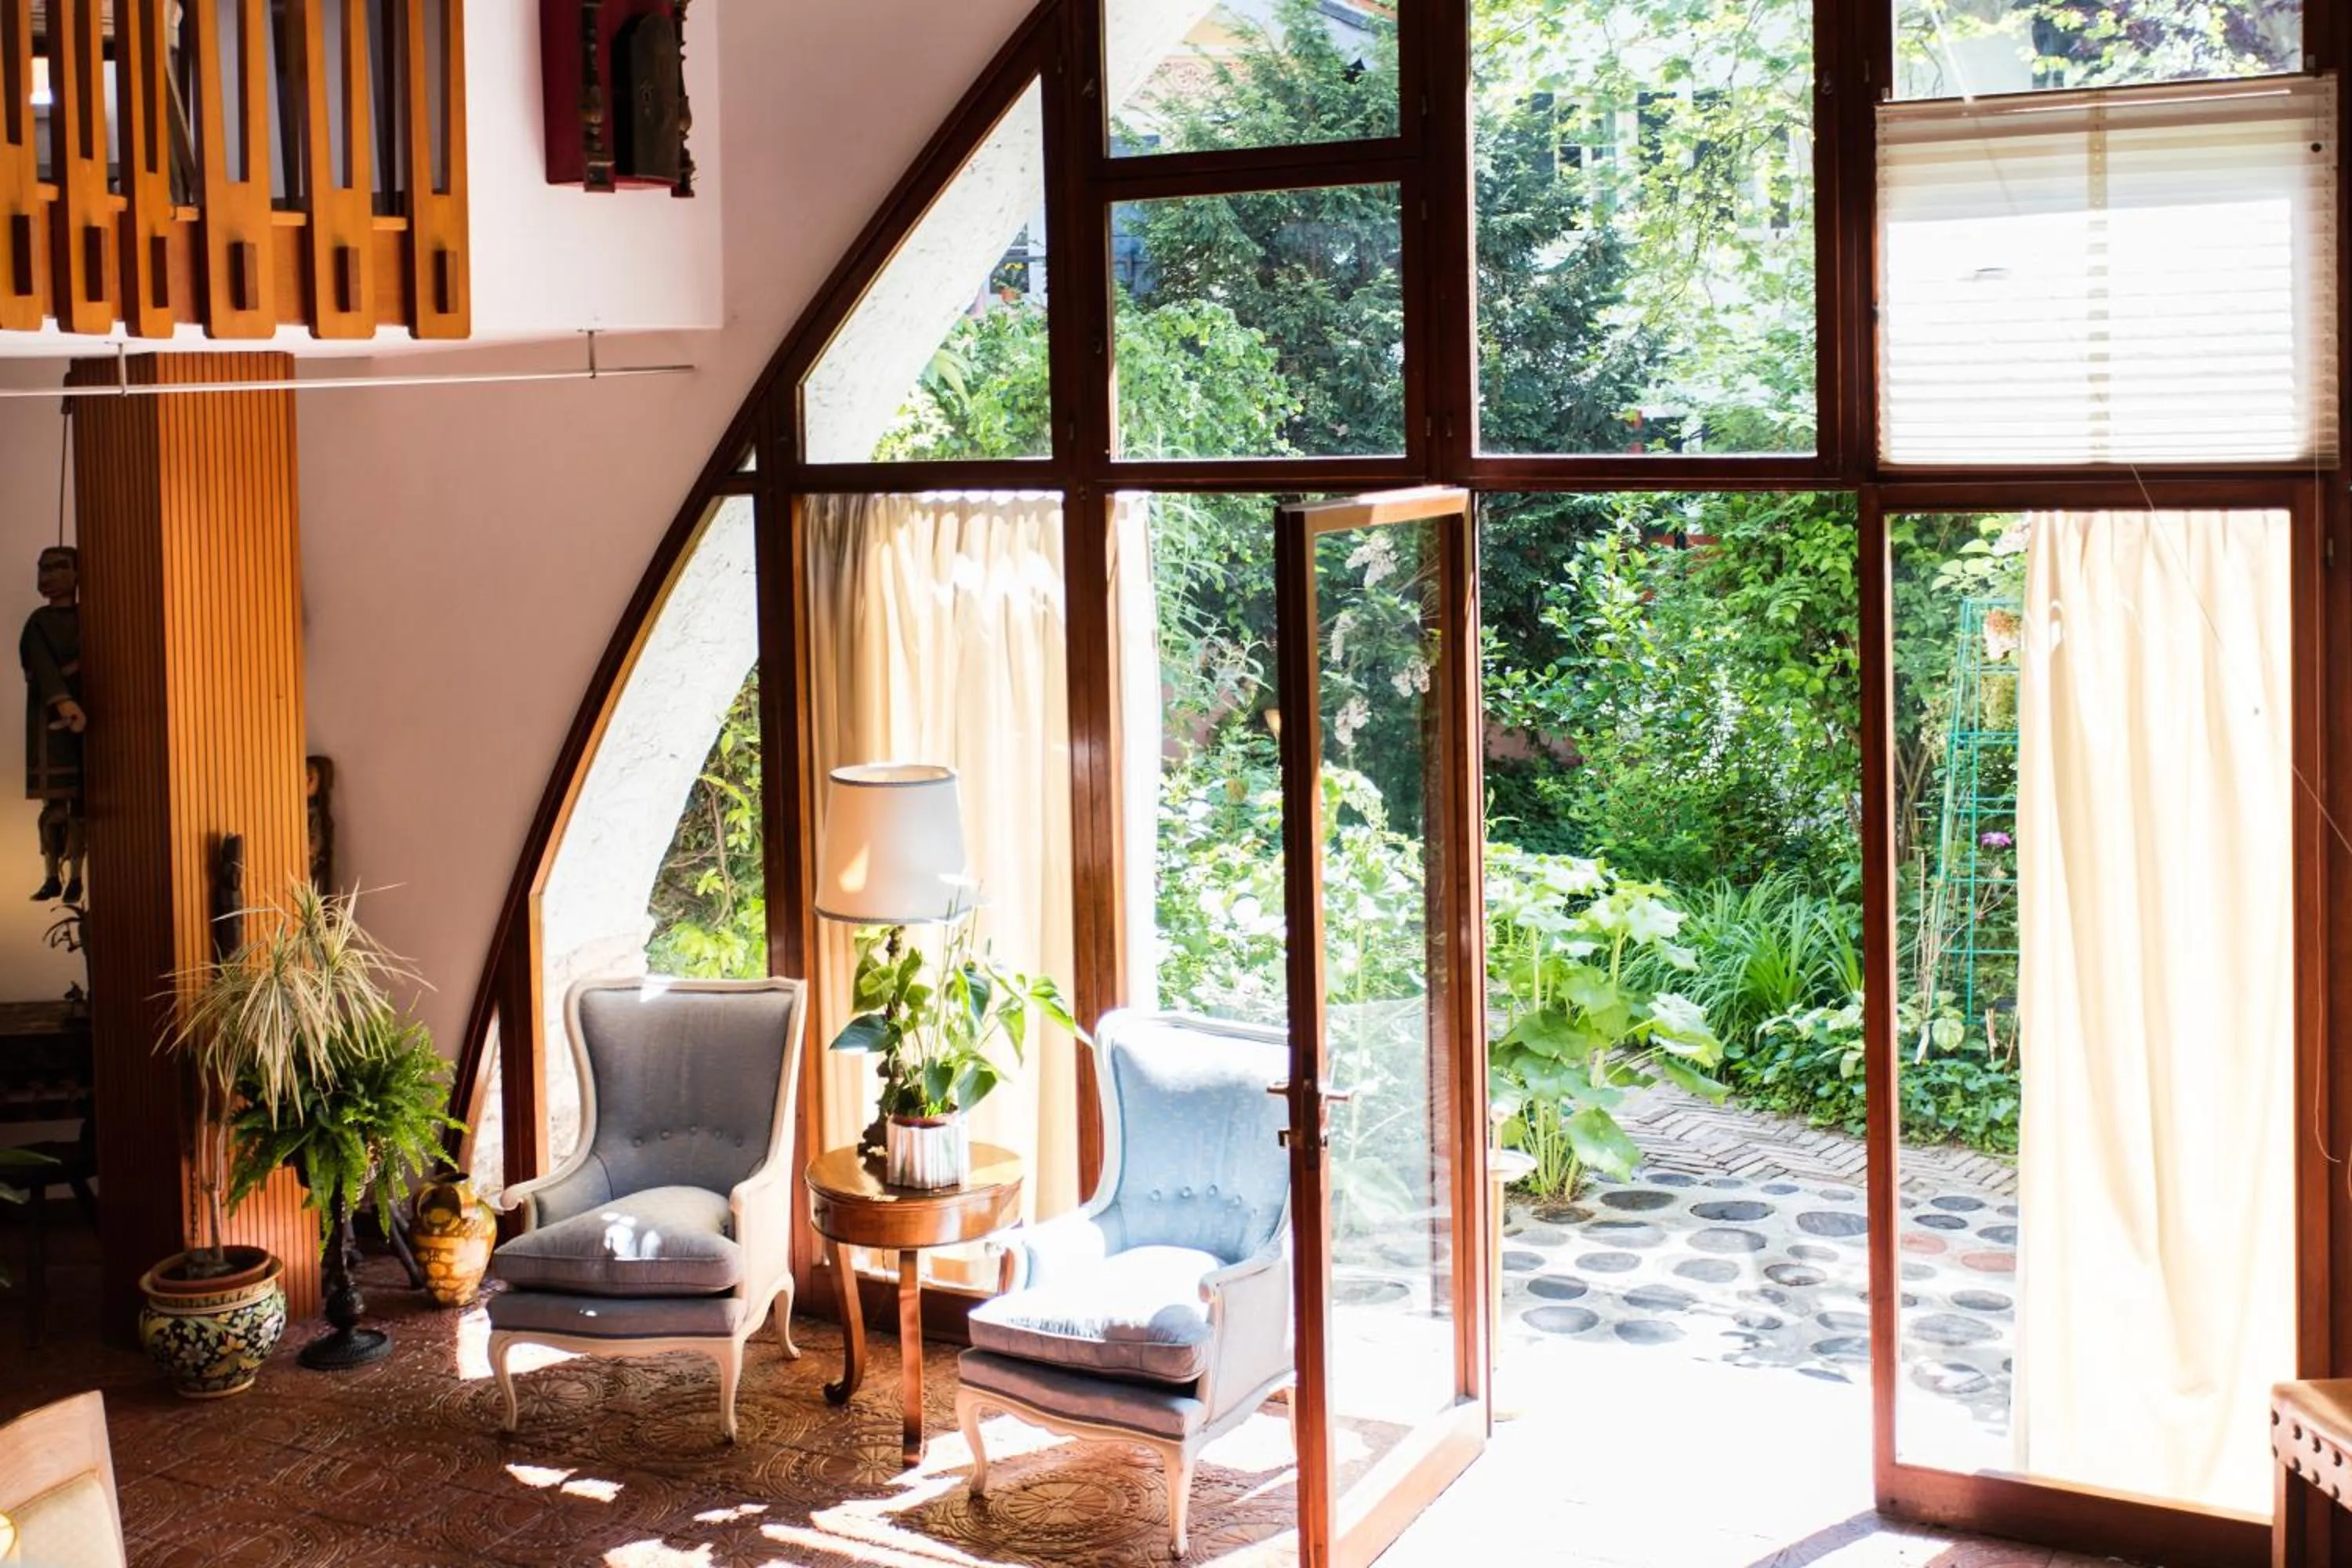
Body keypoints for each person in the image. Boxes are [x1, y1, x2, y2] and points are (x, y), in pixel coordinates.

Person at [22, 546, 83, 904]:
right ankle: (51, 875)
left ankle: (75, 876)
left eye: (58, 568)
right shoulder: (39, 622)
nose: (48, 576)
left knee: (83, 810)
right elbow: (41, 667)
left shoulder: (90, 618)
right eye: (43, 569)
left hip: (88, 722)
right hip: (50, 723)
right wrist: (62, 700)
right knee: (54, 808)